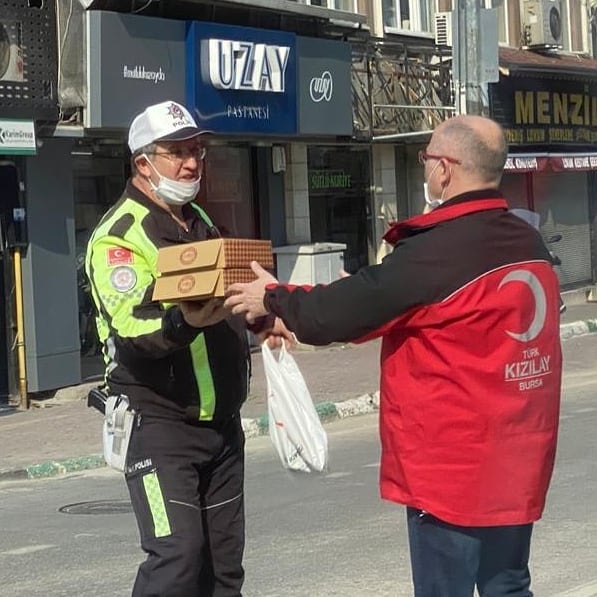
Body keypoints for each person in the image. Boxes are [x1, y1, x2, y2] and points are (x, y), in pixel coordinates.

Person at [224, 115, 563, 596]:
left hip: (454, 472)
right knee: (507, 586)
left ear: (445, 169)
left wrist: (274, 299)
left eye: (426, 160)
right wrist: (299, 310)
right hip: (518, 462)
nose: (425, 170)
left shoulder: (442, 250)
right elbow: (390, 309)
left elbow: (345, 312)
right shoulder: (528, 243)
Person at [85, 100, 286, 596]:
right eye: (176, 152)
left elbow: (225, 292)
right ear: (143, 164)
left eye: (197, 149)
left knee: (223, 570)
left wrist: (261, 320)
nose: (192, 163)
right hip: (158, 428)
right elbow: (131, 326)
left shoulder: (197, 218)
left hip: (220, 428)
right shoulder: (119, 236)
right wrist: (183, 320)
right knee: (175, 560)